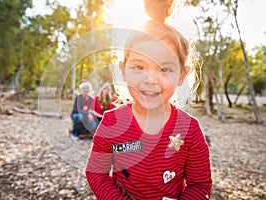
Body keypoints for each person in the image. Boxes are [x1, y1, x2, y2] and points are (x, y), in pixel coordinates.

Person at [85, 0, 212, 199]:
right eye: (139, 67)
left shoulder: (190, 130)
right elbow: (97, 173)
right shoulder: (111, 123)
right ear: (123, 71)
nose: (151, 79)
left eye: (165, 69)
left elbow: (200, 185)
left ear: (181, 75)